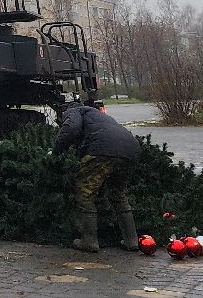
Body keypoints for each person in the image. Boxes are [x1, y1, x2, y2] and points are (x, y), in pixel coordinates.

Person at [52, 99, 141, 254]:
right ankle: (132, 240)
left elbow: (70, 129)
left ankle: (89, 241)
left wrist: (55, 153)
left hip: (102, 150)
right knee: (118, 194)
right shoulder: (99, 116)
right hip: (131, 151)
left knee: (84, 192)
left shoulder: (75, 111)